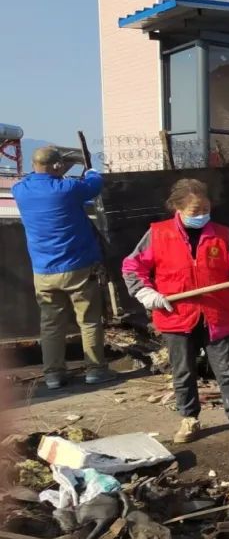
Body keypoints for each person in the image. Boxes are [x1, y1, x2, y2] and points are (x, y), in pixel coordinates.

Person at [122, 179, 229, 449]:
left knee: (228, 373)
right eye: (195, 211)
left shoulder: (222, 234)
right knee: (183, 372)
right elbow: (132, 267)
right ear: (177, 208)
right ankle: (189, 418)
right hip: (176, 315)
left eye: (206, 209)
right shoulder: (158, 234)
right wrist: (145, 293)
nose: (202, 215)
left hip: (217, 315)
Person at [13, 147, 115, 389]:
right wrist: (89, 169)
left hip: (43, 270)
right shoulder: (69, 188)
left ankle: (53, 375)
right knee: (88, 320)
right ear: (57, 166)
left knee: (51, 325)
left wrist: (57, 167)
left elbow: (40, 175)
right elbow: (94, 184)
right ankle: (95, 370)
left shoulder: (20, 190)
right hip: (77, 266)